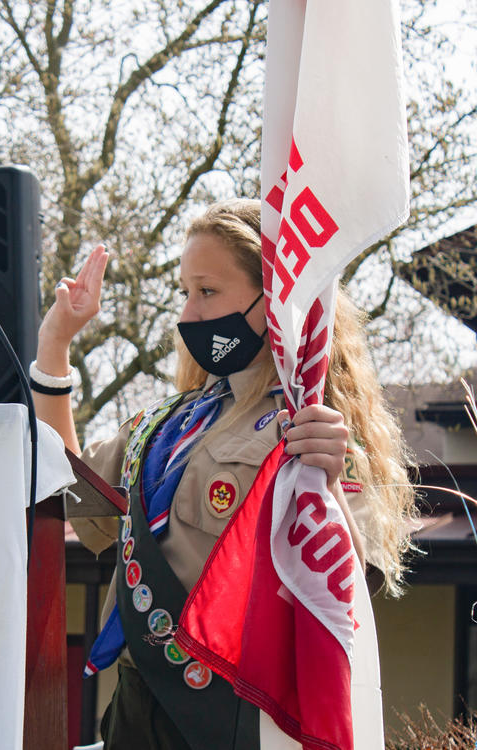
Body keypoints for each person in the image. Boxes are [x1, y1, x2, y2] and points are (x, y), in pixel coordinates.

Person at [30, 199, 415, 748]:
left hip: (236, 713)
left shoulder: (311, 425)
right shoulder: (164, 424)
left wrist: (325, 488)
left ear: (276, 297)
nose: (189, 315)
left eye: (207, 291)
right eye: (185, 293)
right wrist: (55, 347)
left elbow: (354, 590)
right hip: (139, 707)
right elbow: (69, 496)